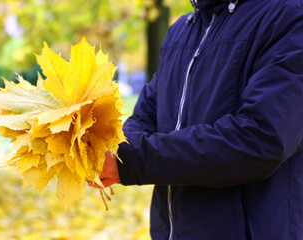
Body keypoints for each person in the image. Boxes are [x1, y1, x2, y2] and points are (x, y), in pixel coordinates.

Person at [98, 0, 303, 239]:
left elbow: (261, 138)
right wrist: (111, 150)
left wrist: (132, 161)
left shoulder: (288, 16)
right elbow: (146, 116)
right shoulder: (180, 31)